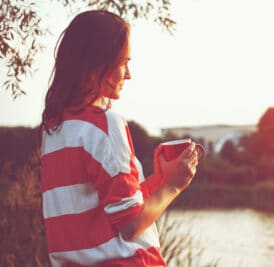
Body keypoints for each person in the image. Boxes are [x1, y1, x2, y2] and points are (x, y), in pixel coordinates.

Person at [40, 10, 200, 267]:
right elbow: (130, 225)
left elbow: (109, 211)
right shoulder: (106, 124)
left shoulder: (54, 129)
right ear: (96, 65)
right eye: (124, 62)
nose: (128, 74)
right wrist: (174, 186)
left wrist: (160, 180)